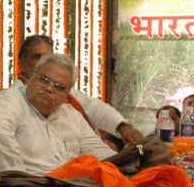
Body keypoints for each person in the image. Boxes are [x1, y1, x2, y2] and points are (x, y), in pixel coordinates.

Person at [0, 53, 115, 181]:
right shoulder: (3, 105)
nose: (49, 88)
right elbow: (12, 175)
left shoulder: (72, 116)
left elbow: (102, 154)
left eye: (59, 87)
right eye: (44, 80)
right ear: (31, 77)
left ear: (67, 95)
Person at [15, 35, 143, 145]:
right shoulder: (15, 99)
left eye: (48, 57)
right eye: (37, 57)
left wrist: (122, 127)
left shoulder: (65, 91)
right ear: (22, 64)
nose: (42, 62)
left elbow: (96, 108)